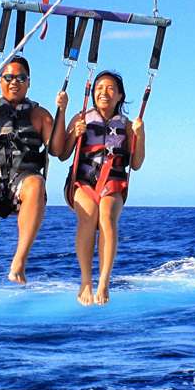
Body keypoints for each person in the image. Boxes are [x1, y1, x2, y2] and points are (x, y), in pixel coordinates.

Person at [0, 56, 67, 284]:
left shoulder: (40, 114)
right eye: (8, 77)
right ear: (0, 81)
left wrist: (62, 112)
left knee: (37, 183)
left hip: (23, 181)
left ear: (28, 82)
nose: (14, 82)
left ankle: (19, 262)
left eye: (20, 77)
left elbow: (56, 150)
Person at [54, 70, 145, 306]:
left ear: (120, 96)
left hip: (113, 182)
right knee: (88, 216)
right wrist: (75, 133)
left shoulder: (127, 125)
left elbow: (135, 164)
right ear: (93, 94)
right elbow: (63, 155)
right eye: (99, 88)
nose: (104, 92)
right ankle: (86, 280)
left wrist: (140, 135)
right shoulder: (81, 118)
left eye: (110, 88)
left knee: (106, 216)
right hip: (82, 181)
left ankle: (103, 281)